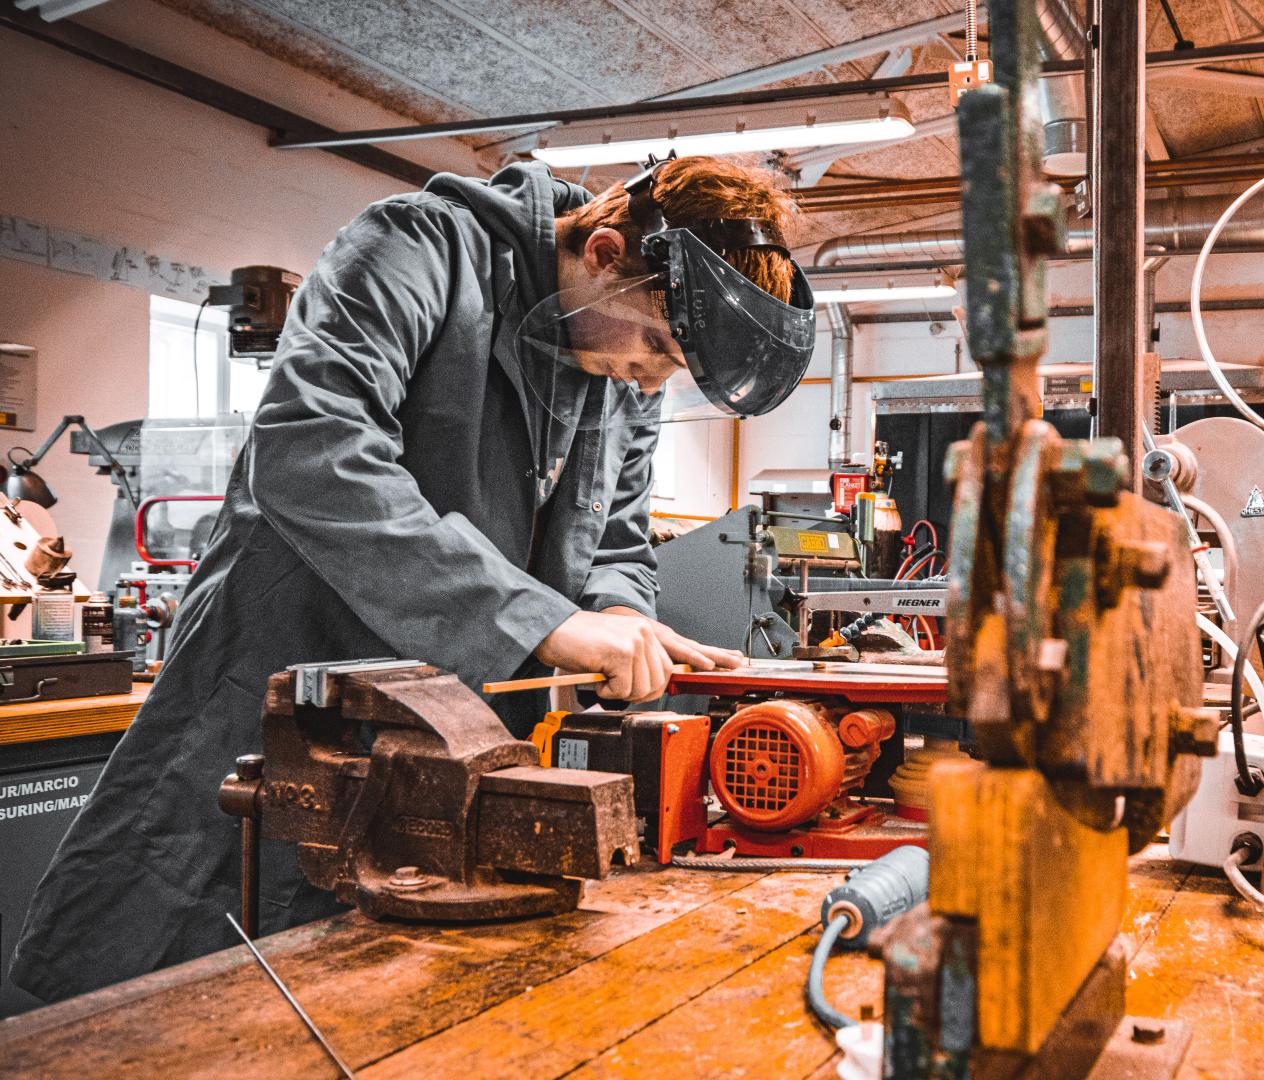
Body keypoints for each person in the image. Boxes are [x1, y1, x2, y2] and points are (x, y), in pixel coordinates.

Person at [10, 156, 817, 1003]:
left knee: (394, 1003)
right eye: (653, 345)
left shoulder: (620, 369)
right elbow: (313, 453)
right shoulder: (417, 248)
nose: (652, 378)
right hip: (283, 692)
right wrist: (539, 622)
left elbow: (615, 539)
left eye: (672, 368)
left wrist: (623, 620)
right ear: (607, 251)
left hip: (451, 745)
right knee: (158, 990)